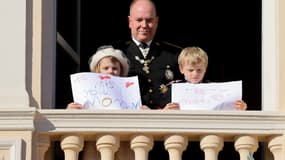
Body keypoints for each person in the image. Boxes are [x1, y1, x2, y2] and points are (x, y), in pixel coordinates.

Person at [112, 0, 183, 110]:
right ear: (130, 21)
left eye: (149, 20)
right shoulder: (115, 53)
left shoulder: (175, 54)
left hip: (167, 122)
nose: (144, 25)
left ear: (156, 22)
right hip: (127, 122)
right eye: (139, 20)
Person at [161, 46, 247, 110]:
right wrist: (165, 110)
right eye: (191, 70)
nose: (195, 74)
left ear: (205, 69)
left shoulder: (214, 88)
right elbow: (158, 115)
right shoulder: (173, 89)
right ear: (181, 69)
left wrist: (241, 108)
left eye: (199, 70)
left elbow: (228, 109)